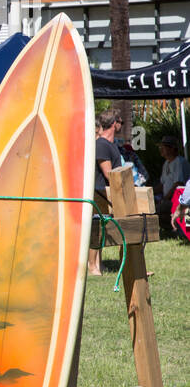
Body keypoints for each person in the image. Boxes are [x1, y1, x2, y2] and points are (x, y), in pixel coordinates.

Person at [91, 109, 123, 275]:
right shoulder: (102, 145)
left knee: (102, 228)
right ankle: (92, 266)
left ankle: (99, 264)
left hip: (106, 193)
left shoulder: (110, 144)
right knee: (97, 228)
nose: (121, 125)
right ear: (114, 123)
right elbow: (108, 174)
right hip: (100, 192)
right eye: (121, 122)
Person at [157, 135, 190, 231]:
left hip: (178, 199)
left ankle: (175, 228)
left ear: (172, 148)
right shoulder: (166, 163)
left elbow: (178, 184)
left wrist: (164, 198)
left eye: (163, 147)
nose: (161, 149)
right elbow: (162, 184)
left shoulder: (179, 162)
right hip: (168, 198)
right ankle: (171, 228)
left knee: (159, 209)